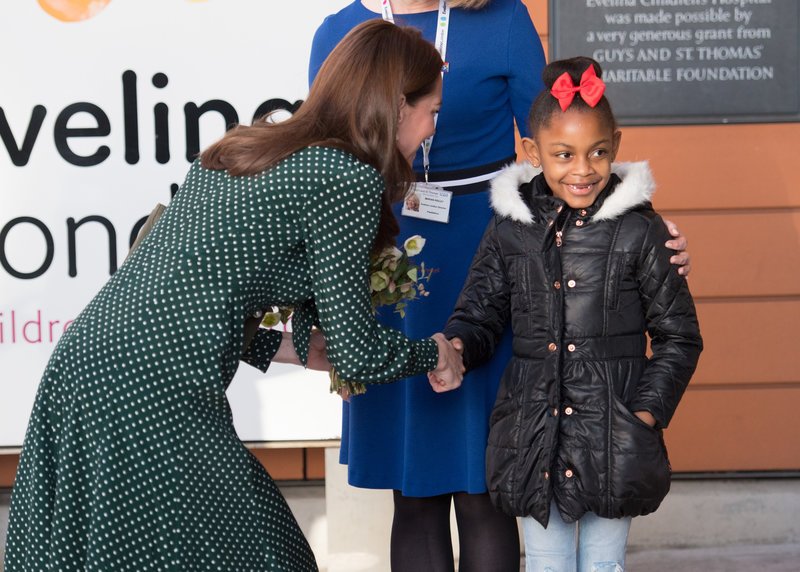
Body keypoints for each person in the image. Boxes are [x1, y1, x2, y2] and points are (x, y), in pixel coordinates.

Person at [3, 20, 465, 572]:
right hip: (153, 387)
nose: (432, 129)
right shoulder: (346, 178)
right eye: (432, 111)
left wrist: (292, 349)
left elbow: (196, 288)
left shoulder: (249, 148)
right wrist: (435, 352)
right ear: (397, 105)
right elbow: (358, 354)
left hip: (89, 364)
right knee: (268, 556)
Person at [310, 2, 692, 570]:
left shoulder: (503, 18)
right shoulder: (337, 31)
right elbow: (321, 165)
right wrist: (326, 305)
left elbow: (563, 147)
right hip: (385, 253)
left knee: (486, 488)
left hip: (496, 251)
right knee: (411, 491)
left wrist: (638, 227)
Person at [439, 56, 703, 572]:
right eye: (564, 155)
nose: (582, 170)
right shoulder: (510, 229)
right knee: (546, 563)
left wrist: (642, 417)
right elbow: (480, 311)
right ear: (532, 152)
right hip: (534, 437)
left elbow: (679, 338)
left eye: (597, 152)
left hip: (614, 438)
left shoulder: (640, 232)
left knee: (603, 565)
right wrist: (458, 345)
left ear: (616, 147)